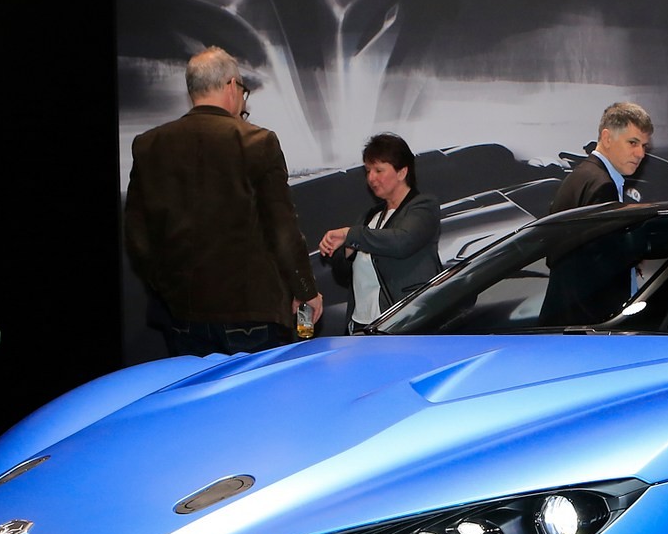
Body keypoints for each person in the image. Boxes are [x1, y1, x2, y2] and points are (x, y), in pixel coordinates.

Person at [124, 46, 322, 356]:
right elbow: (283, 232)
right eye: (243, 90)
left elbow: (138, 238)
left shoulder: (149, 145)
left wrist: (167, 287)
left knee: (200, 390)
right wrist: (306, 290)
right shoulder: (258, 142)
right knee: (254, 389)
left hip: (182, 315)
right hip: (250, 313)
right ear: (231, 85)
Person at [317, 134, 441, 327]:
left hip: (406, 322)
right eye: (368, 171)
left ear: (402, 172)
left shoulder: (424, 206)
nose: (371, 178)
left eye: (378, 170)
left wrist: (350, 235)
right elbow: (342, 274)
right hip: (361, 324)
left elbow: (401, 242)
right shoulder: (371, 216)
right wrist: (345, 250)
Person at [546, 101, 654, 213]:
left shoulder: (584, 175)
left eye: (644, 146)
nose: (641, 154)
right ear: (607, 139)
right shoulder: (603, 187)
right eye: (632, 143)